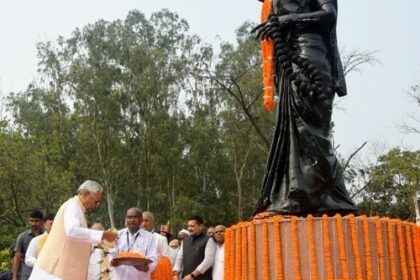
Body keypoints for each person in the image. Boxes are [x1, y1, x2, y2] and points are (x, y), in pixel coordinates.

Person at [253, 0, 356, 217]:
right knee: (295, 132)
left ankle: (310, 198)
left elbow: (329, 14)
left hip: (311, 56)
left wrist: (288, 19)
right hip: (288, 59)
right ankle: (303, 195)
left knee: (311, 130)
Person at [29, 180, 118, 280]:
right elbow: (72, 231)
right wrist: (102, 235)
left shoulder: (78, 209)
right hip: (55, 270)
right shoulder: (73, 206)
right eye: (96, 201)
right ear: (85, 194)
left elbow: (77, 240)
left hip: (63, 271)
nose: (96, 205)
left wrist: (100, 243)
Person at [110, 208, 158, 280]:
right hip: (120, 277)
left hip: (140, 277)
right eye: (129, 217)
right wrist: (112, 261)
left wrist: (145, 267)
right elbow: (111, 254)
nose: (132, 220)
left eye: (135, 217)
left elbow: (153, 259)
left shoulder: (150, 237)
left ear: (141, 219)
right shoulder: (117, 235)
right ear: (126, 219)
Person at [173, 216, 216, 280]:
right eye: (188, 226)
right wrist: (176, 274)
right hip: (185, 278)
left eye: (192, 226)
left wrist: (192, 275)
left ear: (201, 226)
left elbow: (208, 260)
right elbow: (179, 258)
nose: (189, 228)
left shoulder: (208, 240)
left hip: (202, 277)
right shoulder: (185, 241)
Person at [13, 209, 44, 280]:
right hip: (27, 274)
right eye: (31, 221)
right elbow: (17, 257)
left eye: (36, 221)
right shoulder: (22, 237)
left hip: (42, 273)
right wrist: (14, 276)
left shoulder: (47, 236)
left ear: (42, 221)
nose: (33, 223)